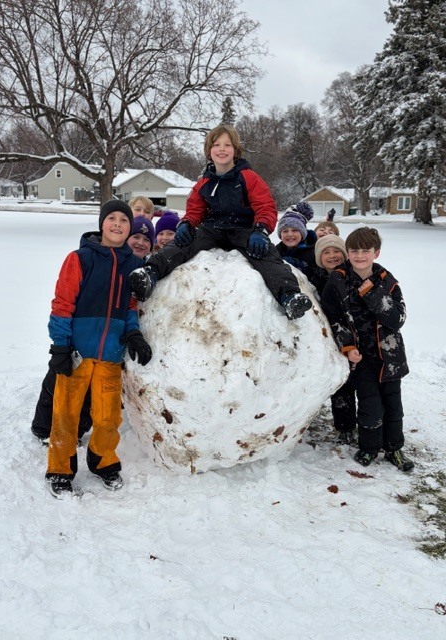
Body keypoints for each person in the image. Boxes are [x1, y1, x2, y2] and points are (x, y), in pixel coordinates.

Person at [128, 124, 312, 321]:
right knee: (182, 243)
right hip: (212, 228)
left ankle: (289, 295)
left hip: (243, 228)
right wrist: (186, 224)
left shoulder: (249, 177)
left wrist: (260, 230)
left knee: (264, 253)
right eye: (216, 145)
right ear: (209, 150)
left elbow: (265, 205)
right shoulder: (204, 183)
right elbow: (195, 209)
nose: (222, 149)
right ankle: (150, 273)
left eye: (227, 145)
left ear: (235, 150)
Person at [45, 200, 152, 498]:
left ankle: (102, 460)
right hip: (78, 351)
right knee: (66, 413)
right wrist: (60, 346)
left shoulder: (134, 265)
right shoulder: (79, 258)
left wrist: (133, 334)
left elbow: (131, 307)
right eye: (112, 218)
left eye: (124, 220)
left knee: (108, 417)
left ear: (130, 228)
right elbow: (62, 304)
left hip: (110, 354)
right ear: (102, 223)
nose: (118, 224)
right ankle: (60, 469)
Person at [321, 227, 414, 471]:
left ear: (376, 253)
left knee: (394, 407)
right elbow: (334, 317)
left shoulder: (388, 282)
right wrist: (347, 347)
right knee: (370, 407)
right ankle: (370, 448)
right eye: (354, 251)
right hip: (361, 358)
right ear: (348, 253)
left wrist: (372, 292)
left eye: (365, 251)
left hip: (390, 357)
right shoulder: (338, 281)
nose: (359, 255)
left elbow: (397, 319)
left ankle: (394, 449)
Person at [312, 235, 356, 444]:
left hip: (355, 333)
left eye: (336, 251)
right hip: (329, 336)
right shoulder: (315, 278)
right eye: (326, 253)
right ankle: (345, 426)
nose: (332, 256)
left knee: (362, 383)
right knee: (341, 384)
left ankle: (366, 423)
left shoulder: (353, 274)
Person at [275, 203, 317, 281]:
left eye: (295, 230)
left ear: (302, 233)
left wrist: (301, 266)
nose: (290, 234)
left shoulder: (313, 251)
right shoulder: (276, 251)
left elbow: (316, 274)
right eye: (285, 231)